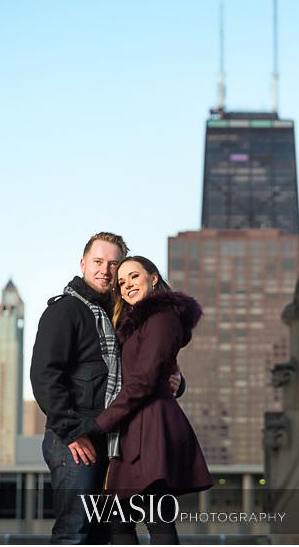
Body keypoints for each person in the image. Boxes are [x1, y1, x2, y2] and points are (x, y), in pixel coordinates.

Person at [30, 233, 182, 545]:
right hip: (75, 439)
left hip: (114, 439)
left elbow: (145, 365)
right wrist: (72, 431)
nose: (105, 270)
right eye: (98, 261)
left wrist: (177, 380)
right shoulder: (66, 310)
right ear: (83, 263)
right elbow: (45, 376)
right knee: (75, 530)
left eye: (114, 264)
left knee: (104, 533)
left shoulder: (122, 316)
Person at [68, 256, 212, 544]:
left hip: (150, 429)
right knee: (120, 522)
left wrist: (99, 424)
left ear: (154, 277)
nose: (127, 285)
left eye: (134, 276)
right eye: (121, 282)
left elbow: (144, 380)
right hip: (135, 427)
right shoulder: (139, 322)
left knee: (152, 522)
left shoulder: (162, 317)